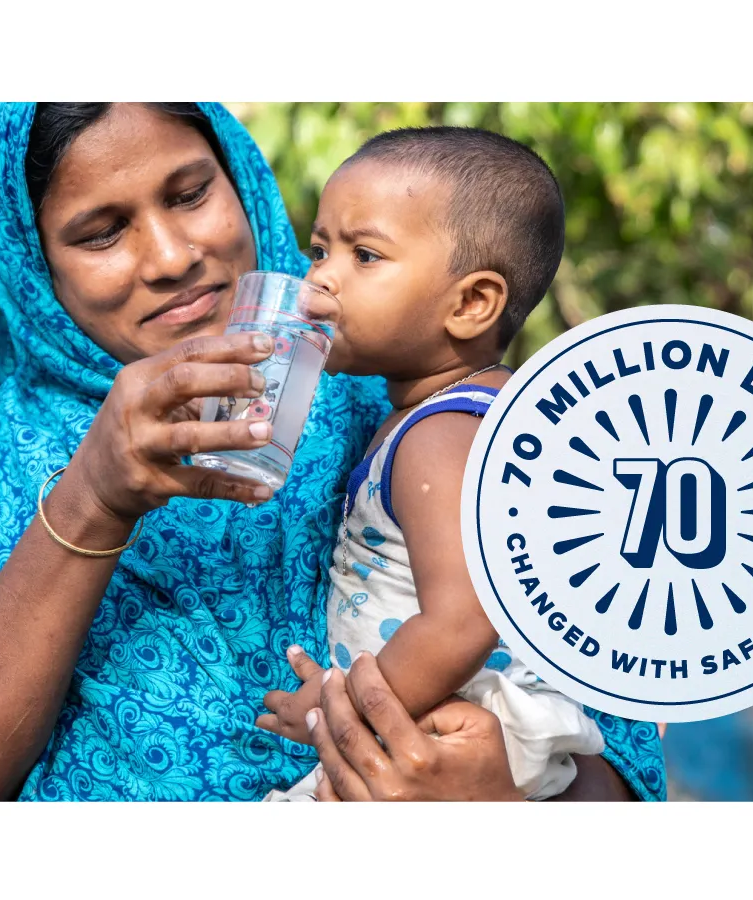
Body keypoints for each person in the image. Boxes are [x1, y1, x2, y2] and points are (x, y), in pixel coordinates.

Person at [0, 102, 666, 801]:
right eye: (102, 232)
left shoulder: (392, 392)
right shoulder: (12, 453)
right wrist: (95, 493)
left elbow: (613, 727)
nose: (171, 255)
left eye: (190, 194)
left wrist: (494, 818)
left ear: (237, 175)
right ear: (32, 263)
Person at [259, 128, 605, 800]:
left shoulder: (442, 434)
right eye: (320, 250)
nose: (321, 277)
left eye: (364, 255)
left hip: (446, 730)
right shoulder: (482, 415)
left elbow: (463, 620)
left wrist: (338, 713)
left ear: (471, 304)